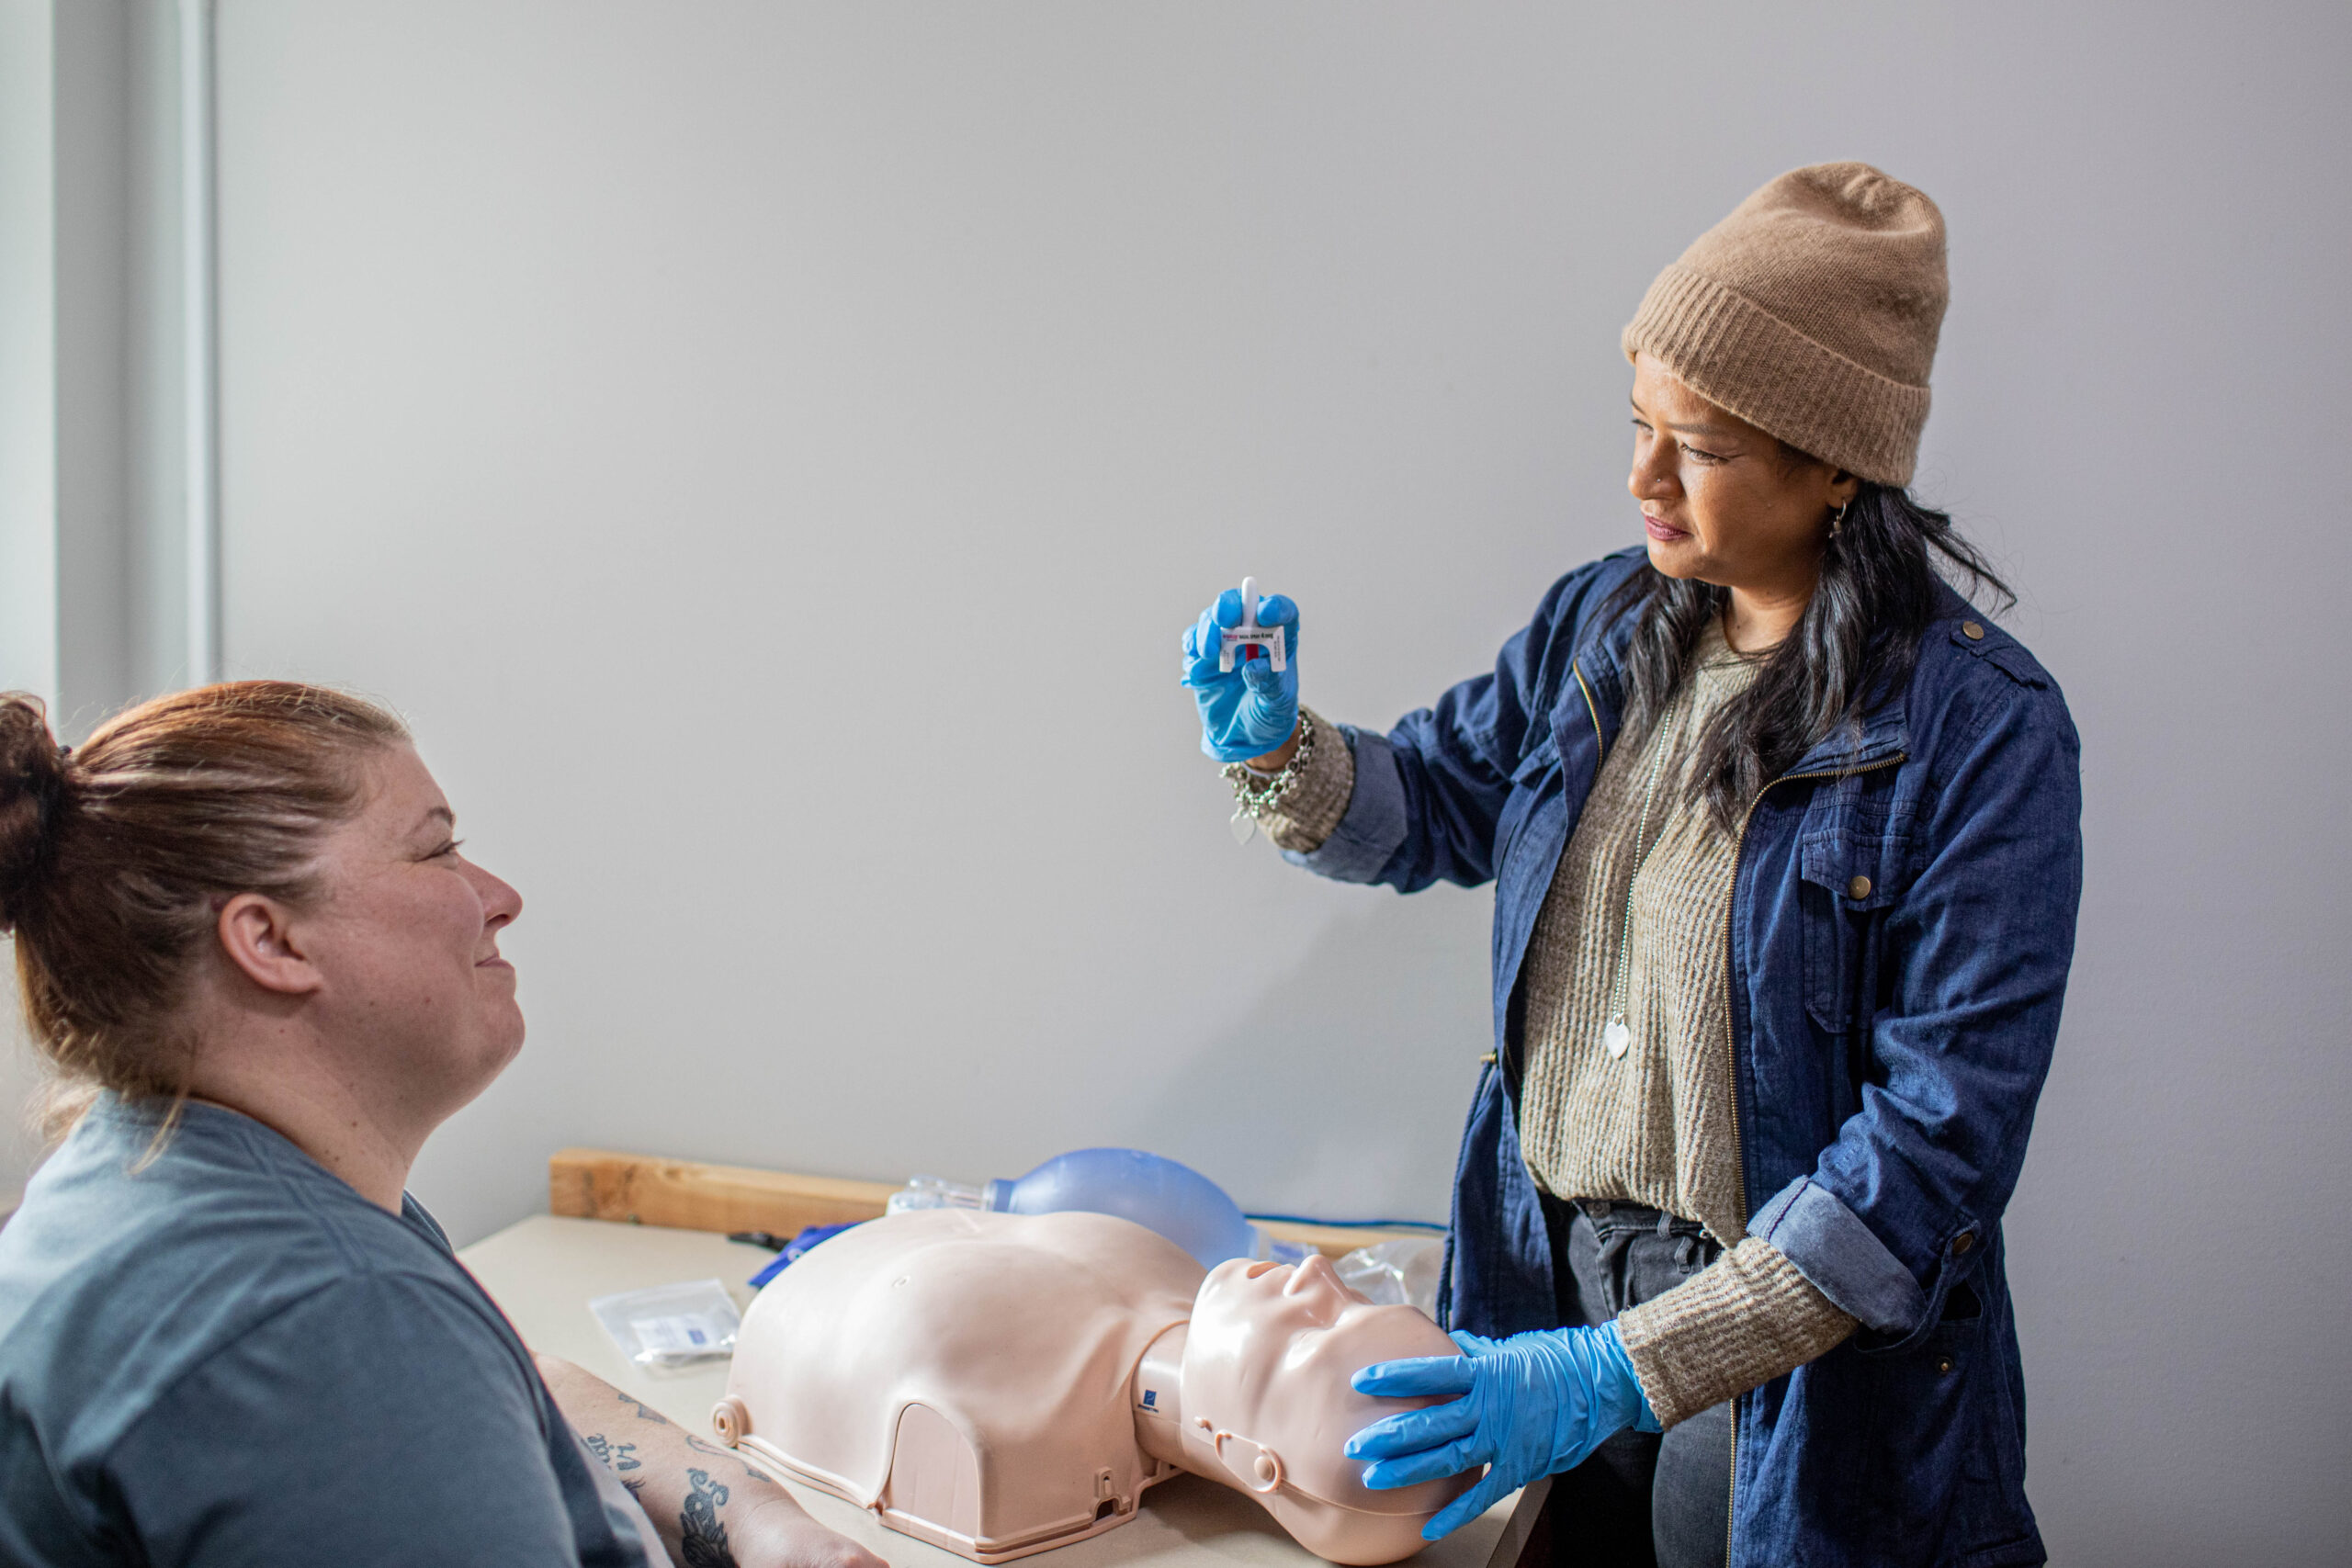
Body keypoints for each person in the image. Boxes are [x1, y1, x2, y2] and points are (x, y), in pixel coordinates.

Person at [1180, 164, 2081, 1568]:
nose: (1641, 479)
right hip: (1538, 1286)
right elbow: (1437, 802)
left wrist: (1623, 1370)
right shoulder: (1607, 621)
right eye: (1639, 425)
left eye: (1701, 446)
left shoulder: (1983, 734)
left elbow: (1932, 1149)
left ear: (1839, 461)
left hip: (1779, 1361)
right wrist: (1285, 752)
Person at [0, 682, 888, 1568]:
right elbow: (391, 1372)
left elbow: (512, 1382)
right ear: (270, 942)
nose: (500, 897)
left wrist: (754, 1515)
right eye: (438, 851)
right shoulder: (322, 1315)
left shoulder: (172, 1168)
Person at [716, 1206, 1470, 1565]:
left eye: (1315, 1326)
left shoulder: (1006, 1417)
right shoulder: (1180, 1272)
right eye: (1354, 1294)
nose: (1316, 1271)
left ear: (1260, 1462)